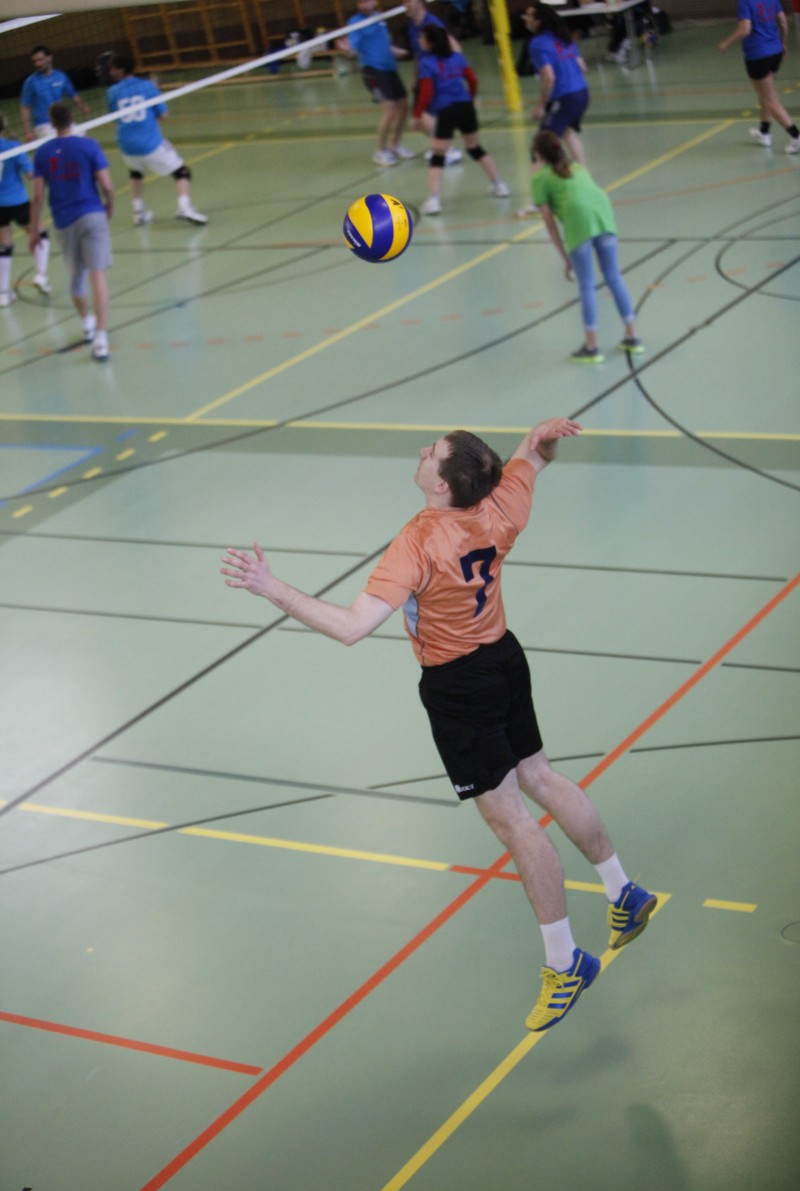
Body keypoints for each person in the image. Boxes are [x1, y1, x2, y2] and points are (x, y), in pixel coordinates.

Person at [221, 420, 657, 1034]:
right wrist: (538, 441)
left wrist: (271, 588)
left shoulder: (419, 541)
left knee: (514, 823)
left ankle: (566, 964)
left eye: (434, 453)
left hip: (459, 687)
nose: (423, 453)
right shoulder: (499, 506)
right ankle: (623, 891)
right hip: (505, 658)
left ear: (444, 485)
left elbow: (350, 627)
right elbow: (534, 458)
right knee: (542, 777)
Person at [531, 129, 643, 364]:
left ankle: (591, 347)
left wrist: (565, 257)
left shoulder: (540, 179)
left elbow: (549, 223)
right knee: (614, 276)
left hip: (579, 222)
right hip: (603, 216)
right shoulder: (577, 167)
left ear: (538, 154)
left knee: (587, 286)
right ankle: (632, 337)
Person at [29, 101, 114, 361]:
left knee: (76, 277)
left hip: (64, 221)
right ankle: (101, 338)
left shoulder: (42, 153)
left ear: (52, 123)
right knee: (97, 276)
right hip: (92, 214)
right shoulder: (89, 145)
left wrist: (33, 229)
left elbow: (38, 195)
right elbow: (107, 185)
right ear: (72, 118)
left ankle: (87, 322)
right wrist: (109, 206)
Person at [413, 24, 509, 215]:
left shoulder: (427, 63)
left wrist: (417, 115)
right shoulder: (458, 58)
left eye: (422, 38)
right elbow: (472, 80)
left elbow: (426, 92)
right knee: (475, 148)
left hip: (446, 110)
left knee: (438, 155)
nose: (419, 40)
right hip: (465, 107)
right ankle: (499, 185)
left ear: (430, 42)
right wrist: (470, 97)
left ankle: (434, 200)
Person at [106, 55, 208, 225]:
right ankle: (185, 208)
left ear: (121, 70)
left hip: (125, 144)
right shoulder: (147, 86)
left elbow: (115, 118)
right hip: (149, 143)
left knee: (135, 172)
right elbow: (163, 115)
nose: (110, 72)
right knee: (182, 172)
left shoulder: (112, 92)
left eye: (112, 68)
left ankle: (138, 213)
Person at [336, 0, 415, 166]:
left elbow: (382, 42)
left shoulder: (379, 17)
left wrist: (396, 51)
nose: (364, 4)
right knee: (390, 109)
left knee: (403, 106)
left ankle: (394, 145)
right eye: (360, 2)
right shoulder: (356, 22)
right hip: (373, 71)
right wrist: (346, 49)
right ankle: (380, 151)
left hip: (389, 68)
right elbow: (353, 51)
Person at [719, 0, 800, 153]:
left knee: (770, 99)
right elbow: (783, 22)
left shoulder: (745, 2)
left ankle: (796, 136)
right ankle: (764, 132)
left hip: (758, 55)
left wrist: (726, 43)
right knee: (765, 94)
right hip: (775, 52)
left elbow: (745, 29)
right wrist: (783, 43)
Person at [522, 1, 589, 166]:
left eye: (529, 15)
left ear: (538, 21)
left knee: (541, 146)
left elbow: (549, 77)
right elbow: (583, 67)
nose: (525, 18)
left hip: (565, 97)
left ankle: (541, 179)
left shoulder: (537, 43)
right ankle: (583, 173)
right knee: (565, 131)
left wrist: (541, 106)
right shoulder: (564, 36)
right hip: (582, 92)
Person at [0, 113, 51, 307]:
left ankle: (3, 294)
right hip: (17, 202)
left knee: (4, 246)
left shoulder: (12, 146)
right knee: (40, 233)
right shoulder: (12, 146)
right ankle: (41, 275)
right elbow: (31, 174)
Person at [404, 0, 463, 165]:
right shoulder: (411, 27)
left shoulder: (432, 24)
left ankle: (448, 150)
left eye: (408, 1)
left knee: (421, 117)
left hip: (437, 78)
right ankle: (442, 147)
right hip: (424, 77)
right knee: (421, 121)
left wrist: (448, 72)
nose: (405, 4)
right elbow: (418, 54)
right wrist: (415, 77)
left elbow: (456, 48)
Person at [20, 45, 90, 142]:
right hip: (43, 124)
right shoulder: (30, 82)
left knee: (84, 139)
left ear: (49, 58)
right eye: (35, 61)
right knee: (60, 142)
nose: (38, 64)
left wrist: (82, 106)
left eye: (41, 60)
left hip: (62, 120)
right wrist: (27, 132)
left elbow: (72, 94)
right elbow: (25, 107)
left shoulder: (60, 76)